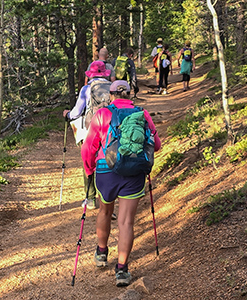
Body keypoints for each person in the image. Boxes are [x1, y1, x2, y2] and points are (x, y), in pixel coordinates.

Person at [81, 80, 161, 287]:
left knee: (105, 212)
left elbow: (88, 147)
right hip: (134, 171)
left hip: (106, 170)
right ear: (130, 94)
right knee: (126, 221)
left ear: (112, 95)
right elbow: (157, 145)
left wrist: (89, 170)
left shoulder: (102, 114)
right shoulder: (142, 114)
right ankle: (122, 269)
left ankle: (101, 252)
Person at [63, 61, 111, 210]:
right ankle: (106, 200)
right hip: (110, 131)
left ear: (90, 74)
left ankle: (90, 198)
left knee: (88, 160)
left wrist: (67, 114)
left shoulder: (86, 89)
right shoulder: (112, 87)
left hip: (92, 129)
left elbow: (77, 112)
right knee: (108, 161)